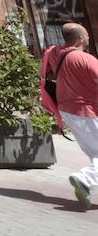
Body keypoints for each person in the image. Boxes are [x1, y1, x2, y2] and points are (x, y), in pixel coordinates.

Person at [42, 22, 98, 209]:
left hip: (69, 111)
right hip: (86, 112)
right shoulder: (85, 59)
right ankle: (83, 179)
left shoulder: (57, 55)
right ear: (80, 38)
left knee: (95, 153)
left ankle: (86, 181)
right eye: (86, 35)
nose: (89, 38)